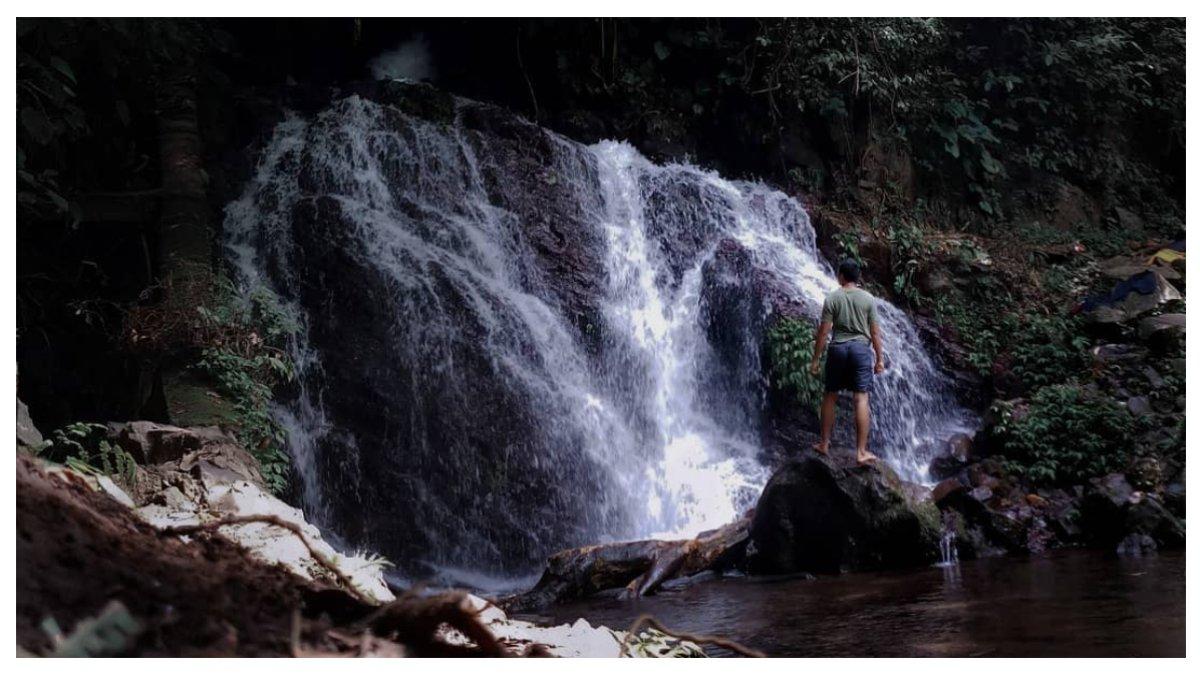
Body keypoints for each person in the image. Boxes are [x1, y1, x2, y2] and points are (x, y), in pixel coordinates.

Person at [808, 259, 885, 465]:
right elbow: (875, 333)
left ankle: (824, 444)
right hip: (861, 350)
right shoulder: (868, 299)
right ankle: (861, 452)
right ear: (858, 278)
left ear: (841, 276)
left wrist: (815, 360)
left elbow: (823, 332)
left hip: (838, 349)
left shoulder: (833, 297)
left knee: (830, 396)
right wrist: (879, 359)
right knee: (861, 399)